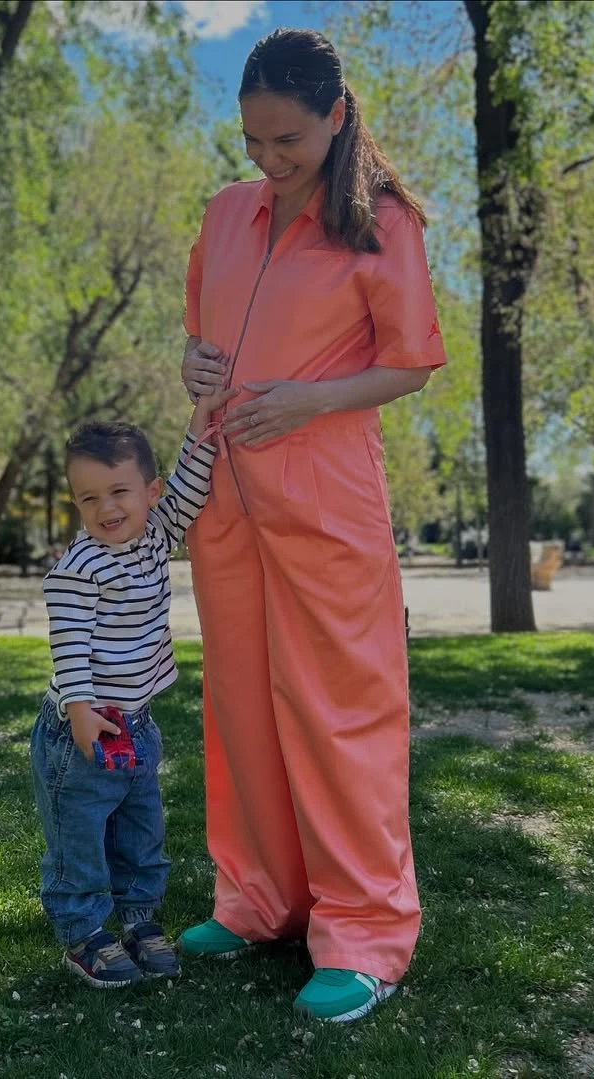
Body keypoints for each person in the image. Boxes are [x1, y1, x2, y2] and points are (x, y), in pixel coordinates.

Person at [177, 28, 448, 1023]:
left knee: (341, 711)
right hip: (226, 499)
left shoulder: (384, 225)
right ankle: (257, 898)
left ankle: (366, 930)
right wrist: (197, 367)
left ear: (337, 116)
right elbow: (200, 329)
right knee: (242, 705)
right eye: (252, 139)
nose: (267, 158)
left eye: (286, 137)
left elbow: (413, 360)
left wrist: (309, 399)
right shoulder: (224, 214)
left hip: (326, 495)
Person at [31, 386, 236, 989]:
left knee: (142, 831)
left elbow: (191, 487)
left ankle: (141, 919)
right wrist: (78, 709)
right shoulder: (78, 568)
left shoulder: (154, 534)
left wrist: (199, 426)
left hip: (137, 724)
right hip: (84, 731)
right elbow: (68, 643)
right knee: (81, 837)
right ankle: (84, 932)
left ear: (149, 493)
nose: (105, 508)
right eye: (88, 497)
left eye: (119, 491)